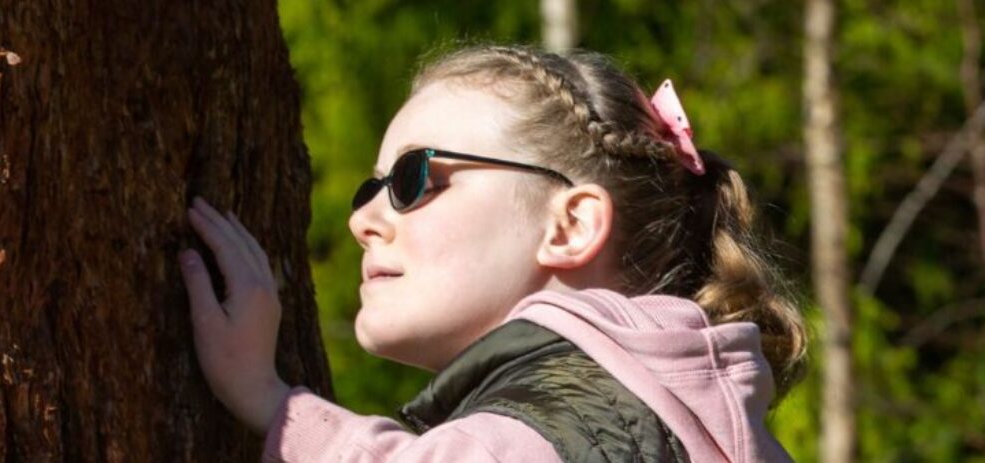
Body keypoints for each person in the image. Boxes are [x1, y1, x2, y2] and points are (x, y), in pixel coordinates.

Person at [177, 45, 806, 462]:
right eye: (370, 189)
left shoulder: (560, 428)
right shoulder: (692, 421)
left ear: (570, 226)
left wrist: (267, 398)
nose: (362, 220)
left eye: (412, 179)